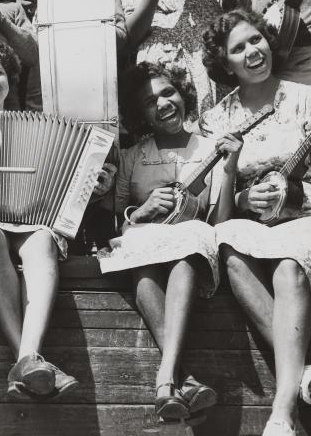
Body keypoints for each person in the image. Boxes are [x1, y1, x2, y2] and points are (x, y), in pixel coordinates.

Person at [0, 37, 114, 400]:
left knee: (44, 240)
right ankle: (30, 358)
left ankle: (26, 357)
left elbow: (67, 188)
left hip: (31, 220)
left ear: (10, 79)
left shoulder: (43, 124)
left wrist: (92, 187)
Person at [98, 61, 241, 421]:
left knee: (186, 246)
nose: (163, 103)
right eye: (150, 101)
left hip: (191, 248)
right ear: (140, 113)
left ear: (183, 94)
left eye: (168, 92)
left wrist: (231, 167)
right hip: (145, 248)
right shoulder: (132, 156)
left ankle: (166, 379)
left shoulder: (211, 147)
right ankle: (184, 378)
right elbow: (118, 223)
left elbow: (220, 222)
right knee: (143, 270)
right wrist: (141, 211)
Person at [200, 7, 311, 436]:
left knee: (288, 266)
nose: (252, 52)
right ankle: (302, 370)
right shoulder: (217, 119)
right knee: (227, 244)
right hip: (249, 223)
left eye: (257, 40)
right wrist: (241, 187)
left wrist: (293, 197)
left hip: (303, 215)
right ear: (224, 62)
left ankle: (282, 413)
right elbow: (220, 215)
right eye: (238, 48)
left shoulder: (304, 96)